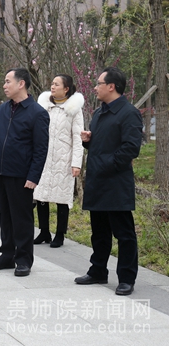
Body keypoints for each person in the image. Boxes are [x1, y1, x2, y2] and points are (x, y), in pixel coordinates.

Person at [75, 67, 142, 296]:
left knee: (124, 234)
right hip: (98, 181)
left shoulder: (129, 113)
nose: (95, 87)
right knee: (99, 232)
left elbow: (130, 148)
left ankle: (126, 278)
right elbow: (103, 143)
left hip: (116, 183)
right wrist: (88, 141)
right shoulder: (99, 112)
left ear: (111, 86)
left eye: (99, 83)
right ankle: (98, 271)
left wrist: (106, 164)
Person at [0, 68, 49, 277]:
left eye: (7, 81)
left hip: (21, 175)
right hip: (1, 171)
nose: (4, 85)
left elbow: (41, 149)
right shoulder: (3, 109)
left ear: (21, 84)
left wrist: (33, 177)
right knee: (5, 216)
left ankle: (23, 259)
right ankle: (7, 255)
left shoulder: (37, 113)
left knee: (22, 219)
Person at [33, 75, 84, 248]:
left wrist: (76, 163)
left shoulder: (74, 109)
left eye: (56, 84)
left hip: (64, 159)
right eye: (52, 84)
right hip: (43, 157)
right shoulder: (44, 106)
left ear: (66, 88)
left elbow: (78, 138)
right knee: (41, 195)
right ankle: (44, 231)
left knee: (62, 197)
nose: (52, 87)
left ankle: (60, 234)